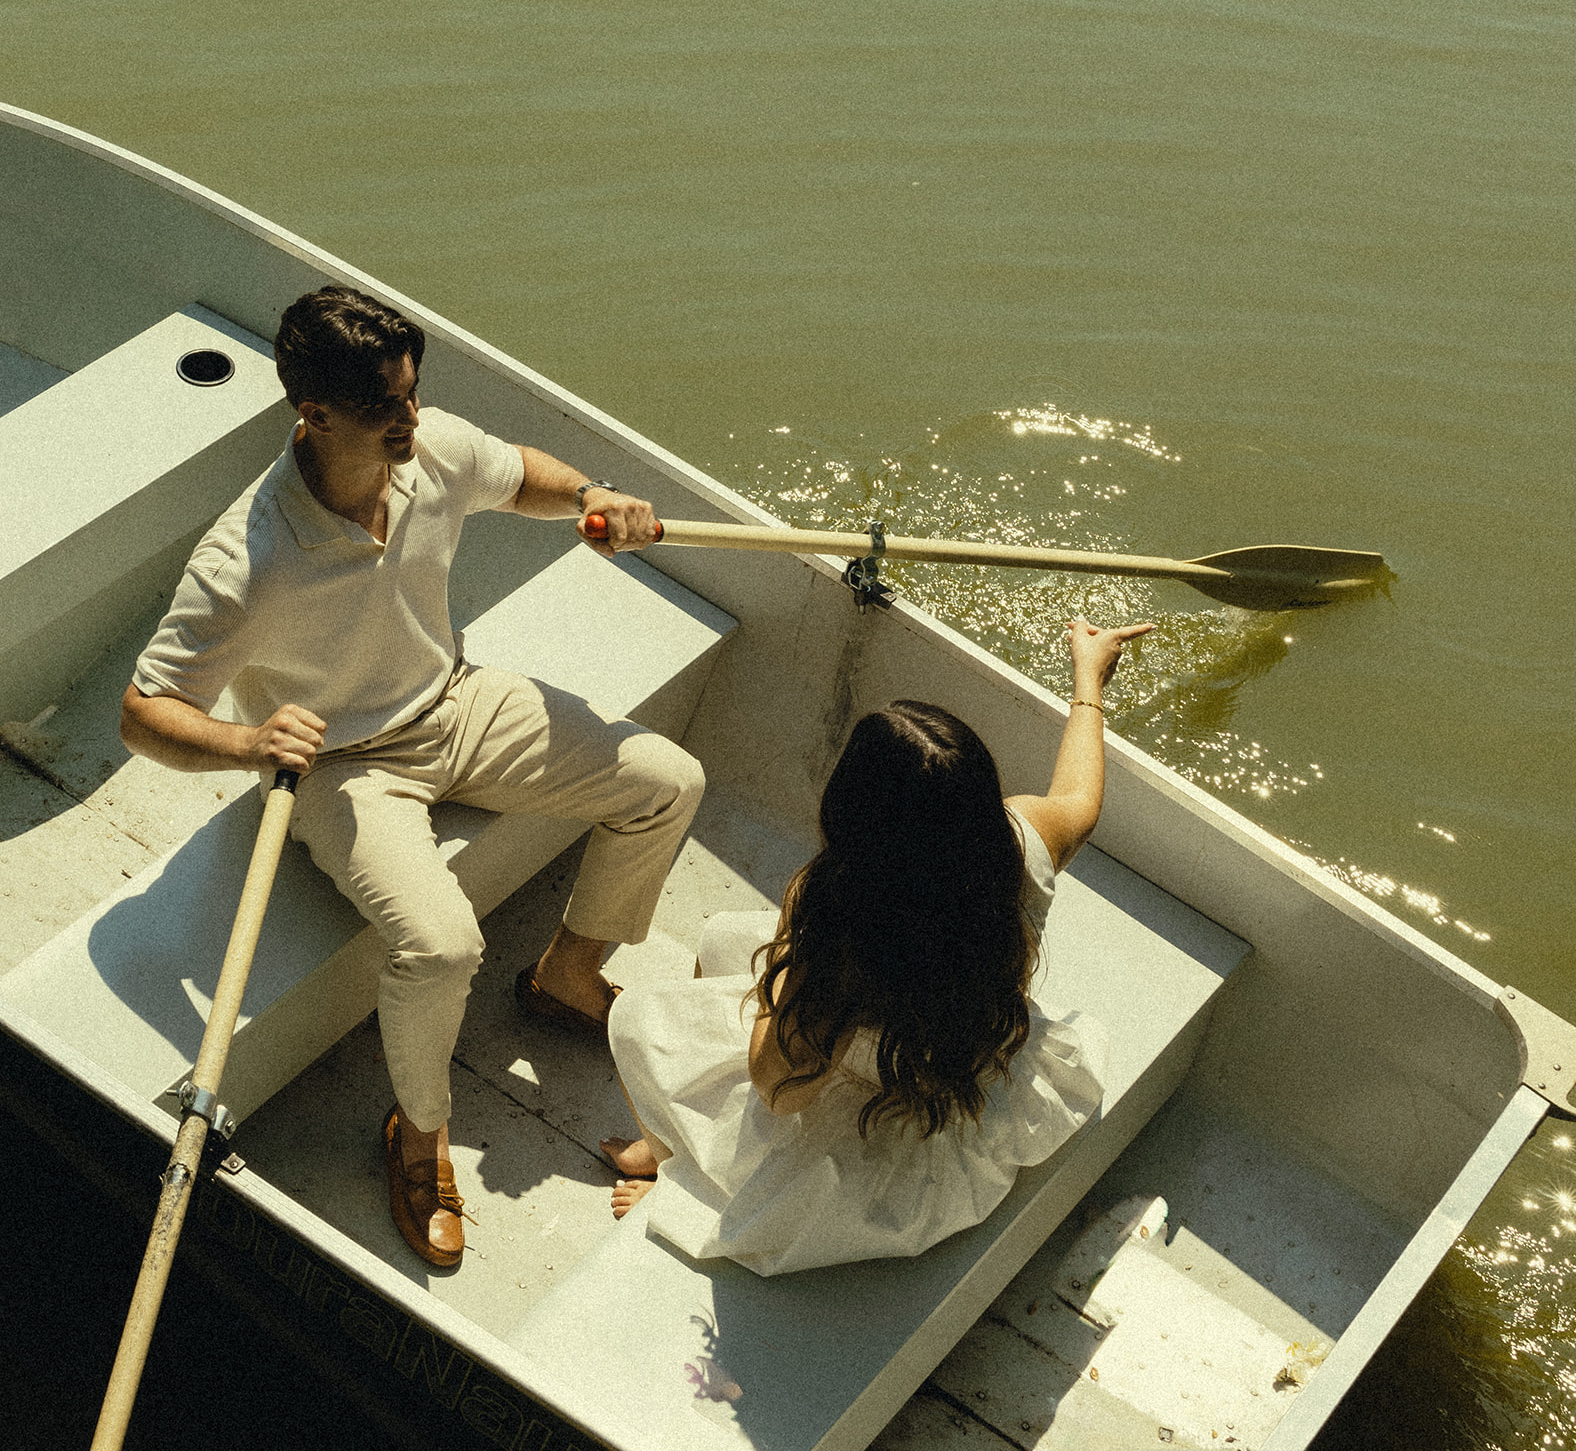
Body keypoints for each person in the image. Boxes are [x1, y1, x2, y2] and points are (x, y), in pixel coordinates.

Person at [120, 285, 705, 1269]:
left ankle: (566, 978)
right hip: (346, 771)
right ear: (315, 414)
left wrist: (590, 499)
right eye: (388, 405)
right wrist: (248, 744)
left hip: (455, 699)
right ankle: (419, 1137)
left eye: (413, 394)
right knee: (438, 947)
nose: (412, 418)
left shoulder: (427, 448)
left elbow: (520, 476)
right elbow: (145, 710)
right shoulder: (248, 556)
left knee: (665, 779)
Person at [598, 615, 1151, 1276]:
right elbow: (1080, 797)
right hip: (952, 1070)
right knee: (721, 936)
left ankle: (674, 1158)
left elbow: (779, 1091)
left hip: (875, 1134)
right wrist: (1089, 678)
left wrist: (788, 962)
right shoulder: (1021, 841)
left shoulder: (834, 920)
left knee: (635, 1018)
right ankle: (664, 1143)